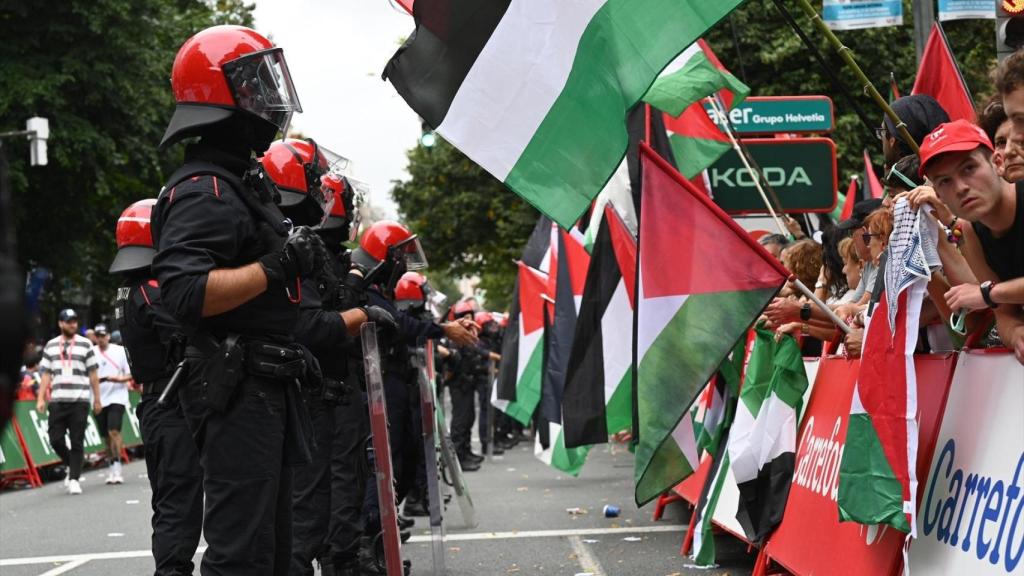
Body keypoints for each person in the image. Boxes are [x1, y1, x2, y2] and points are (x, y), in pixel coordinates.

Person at [151, 25, 319, 575]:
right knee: (242, 556)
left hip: (261, 384)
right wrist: (279, 265)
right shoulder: (205, 187)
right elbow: (185, 292)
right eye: (254, 85)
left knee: (274, 551)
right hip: (235, 388)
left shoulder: (238, 180)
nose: (267, 100)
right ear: (220, 94)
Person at [259, 137, 391, 576]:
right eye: (312, 180)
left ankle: (343, 556)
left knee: (334, 488)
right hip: (307, 391)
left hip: (322, 389)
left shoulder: (310, 249)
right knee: (306, 507)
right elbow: (315, 324)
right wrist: (360, 306)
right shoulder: (288, 245)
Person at [110, 198, 203, 576]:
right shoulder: (152, 290)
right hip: (171, 402)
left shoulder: (129, 290)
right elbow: (188, 332)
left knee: (170, 499)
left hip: (156, 401)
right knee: (179, 501)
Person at [904, 119, 1024, 362]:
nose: (960, 187)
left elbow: (989, 298)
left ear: (997, 162)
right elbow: (1004, 316)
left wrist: (988, 294)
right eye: (945, 181)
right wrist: (1017, 335)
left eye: (969, 168)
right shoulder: (969, 231)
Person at [36, 308, 102, 495]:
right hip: (57, 399)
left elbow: (93, 374)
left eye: (74, 321)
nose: (73, 324)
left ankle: (74, 478)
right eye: (69, 321)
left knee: (77, 441)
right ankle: (71, 464)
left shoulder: (86, 344)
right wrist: (41, 398)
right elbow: (47, 374)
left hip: (79, 399)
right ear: (60, 323)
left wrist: (97, 399)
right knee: (55, 439)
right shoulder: (50, 345)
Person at [92, 322, 132, 485]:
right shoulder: (91, 353)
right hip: (99, 398)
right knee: (105, 436)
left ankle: (118, 467)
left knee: (113, 431)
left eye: (103, 336)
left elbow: (130, 375)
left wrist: (117, 379)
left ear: (108, 336)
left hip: (117, 396)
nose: (101, 339)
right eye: (98, 336)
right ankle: (111, 464)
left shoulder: (119, 351)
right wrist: (95, 398)